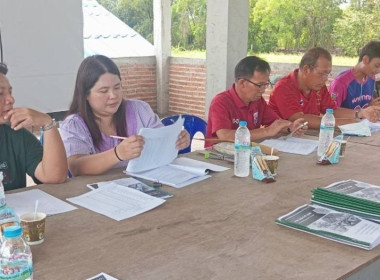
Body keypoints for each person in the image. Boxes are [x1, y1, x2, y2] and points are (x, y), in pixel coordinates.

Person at [60, 55, 190, 176]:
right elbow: (76, 167)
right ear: (86, 95)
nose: (113, 95)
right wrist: (117, 154)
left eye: (117, 87)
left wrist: (176, 140)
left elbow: (161, 142)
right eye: (104, 91)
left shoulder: (140, 110)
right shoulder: (74, 125)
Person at [206, 56, 307, 147]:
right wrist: (266, 131)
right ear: (242, 83)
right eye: (260, 85)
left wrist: (291, 127)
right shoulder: (221, 102)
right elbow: (225, 136)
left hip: (246, 152)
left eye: (266, 84)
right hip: (218, 157)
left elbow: (276, 124)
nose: (263, 89)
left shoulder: (257, 101)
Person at [268, 47, 380, 129]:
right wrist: (346, 122)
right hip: (280, 140)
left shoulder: (318, 87)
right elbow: (298, 118)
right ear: (306, 69)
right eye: (322, 73)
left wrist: (360, 113)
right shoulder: (284, 87)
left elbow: (333, 111)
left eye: (328, 74)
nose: (326, 79)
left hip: (308, 138)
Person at [0, 63, 67, 191]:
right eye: (0, 93)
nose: (11, 99)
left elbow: (55, 177)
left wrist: (48, 124)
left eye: (10, 92)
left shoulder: (16, 134)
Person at [329, 41, 380, 110]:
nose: (378, 71)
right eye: (377, 66)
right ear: (365, 59)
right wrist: (360, 113)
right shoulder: (341, 82)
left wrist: (370, 107)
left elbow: (366, 109)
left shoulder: (371, 78)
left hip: (364, 120)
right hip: (346, 121)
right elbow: (331, 111)